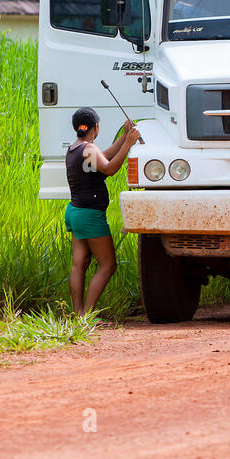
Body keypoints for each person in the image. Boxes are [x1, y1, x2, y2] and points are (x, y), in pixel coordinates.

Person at [65, 106, 141, 316]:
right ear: (95, 127)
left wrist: (125, 135)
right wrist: (129, 143)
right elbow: (109, 168)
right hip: (89, 216)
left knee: (79, 264)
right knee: (108, 265)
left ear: (77, 128)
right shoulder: (89, 149)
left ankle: (79, 314)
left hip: (75, 212)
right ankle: (88, 315)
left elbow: (102, 158)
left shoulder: (76, 148)